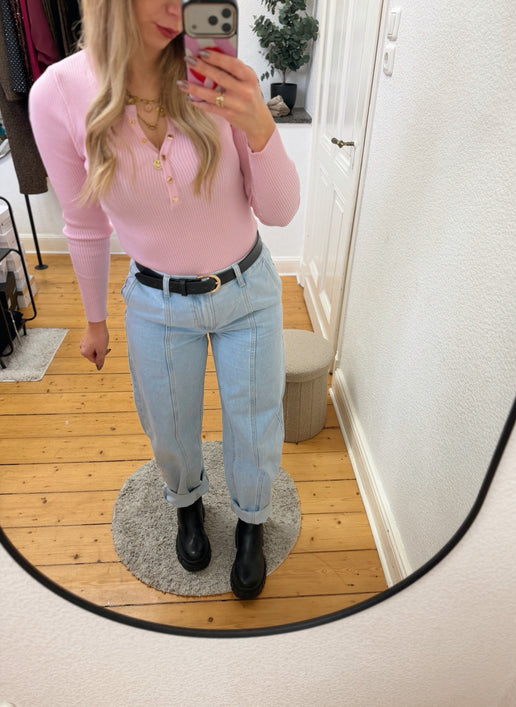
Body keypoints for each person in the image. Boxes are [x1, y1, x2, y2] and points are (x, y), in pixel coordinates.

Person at [29, 0, 299, 600]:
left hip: (247, 291)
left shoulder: (214, 72)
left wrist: (259, 126)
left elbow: (279, 212)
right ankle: (187, 505)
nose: (177, 7)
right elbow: (84, 225)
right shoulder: (57, 96)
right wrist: (94, 320)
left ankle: (252, 522)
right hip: (156, 301)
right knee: (170, 428)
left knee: (255, 424)